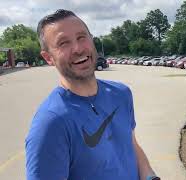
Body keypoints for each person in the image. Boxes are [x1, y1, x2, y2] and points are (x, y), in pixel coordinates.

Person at [25, 9, 160, 180]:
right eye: (63, 43)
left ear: (91, 40)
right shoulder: (51, 123)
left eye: (82, 37)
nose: (78, 49)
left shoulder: (121, 94)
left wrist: (151, 177)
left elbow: (131, 145)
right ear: (48, 58)